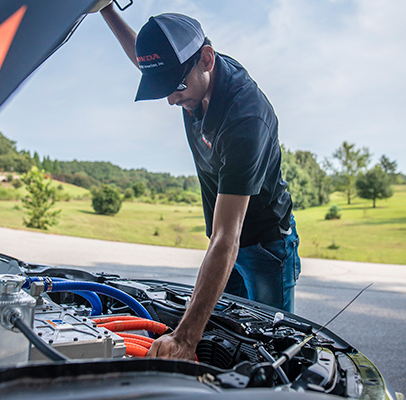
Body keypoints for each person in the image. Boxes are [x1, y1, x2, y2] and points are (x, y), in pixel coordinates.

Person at [100, 4, 301, 361]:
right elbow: (147, 61)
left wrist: (185, 338)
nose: (171, 98)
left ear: (206, 59)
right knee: (227, 337)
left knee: (271, 347)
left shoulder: (245, 117)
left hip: (265, 245)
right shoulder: (189, 75)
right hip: (224, 249)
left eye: (175, 86)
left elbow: (228, 237)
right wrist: (106, 9)